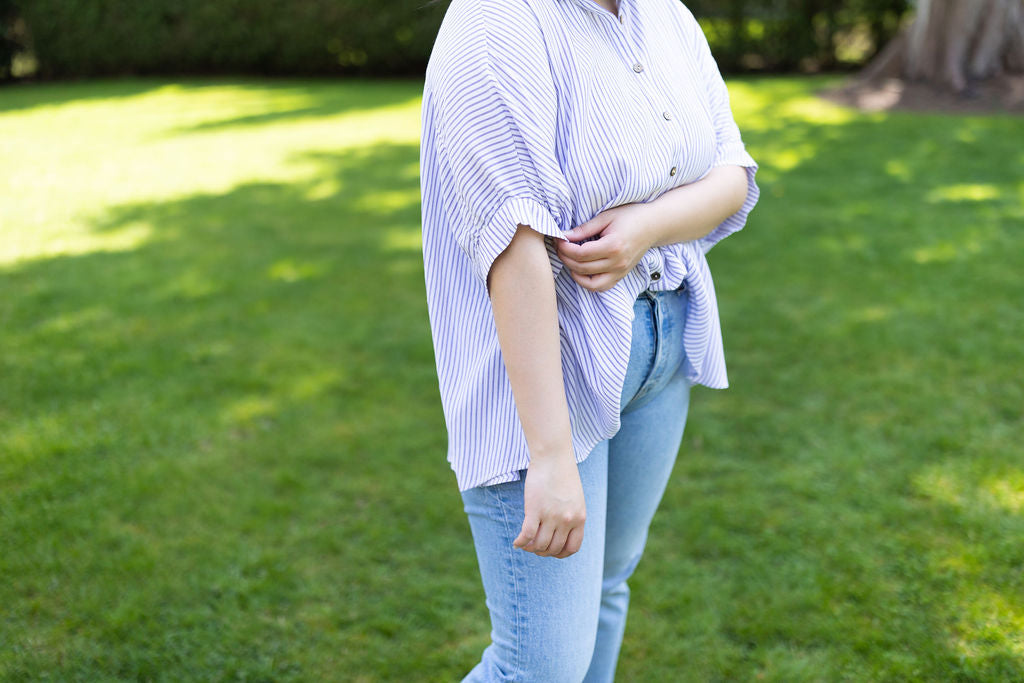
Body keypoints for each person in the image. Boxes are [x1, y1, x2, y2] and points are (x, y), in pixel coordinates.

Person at [419, 0, 760, 679]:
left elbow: (732, 172)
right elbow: (512, 243)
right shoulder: (495, 22)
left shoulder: (664, 16)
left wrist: (648, 226)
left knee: (607, 587)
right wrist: (547, 456)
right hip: (545, 378)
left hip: (661, 353)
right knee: (537, 667)